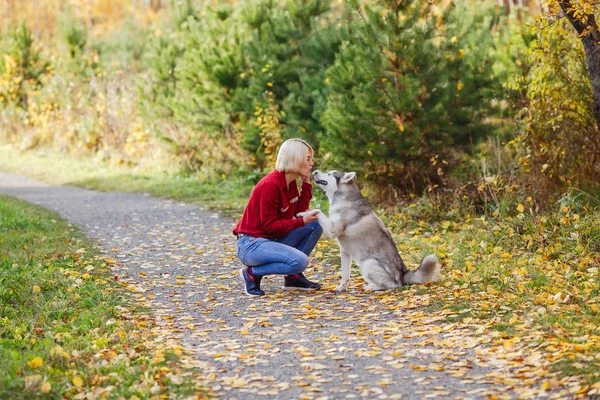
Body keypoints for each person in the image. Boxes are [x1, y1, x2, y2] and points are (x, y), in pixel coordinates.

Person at [233, 138, 323, 296]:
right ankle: (251, 274)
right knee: (300, 261)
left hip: (271, 240)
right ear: (296, 159)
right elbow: (270, 226)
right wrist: (301, 221)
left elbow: (297, 213)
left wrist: (307, 184)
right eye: (308, 159)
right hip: (250, 244)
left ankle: (293, 277)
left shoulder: (291, 183)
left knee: (315, 224)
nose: (311, 163)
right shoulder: (271, 185)